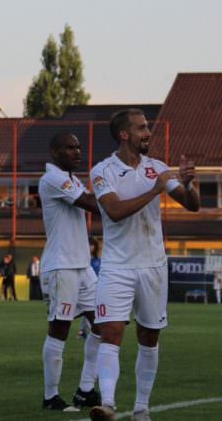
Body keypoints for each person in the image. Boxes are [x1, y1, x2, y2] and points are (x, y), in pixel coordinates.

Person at [88, 109, 199, 421]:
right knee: (110, 332)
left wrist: (190, 184)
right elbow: (114, 211)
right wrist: (155, 189)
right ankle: (107, 404)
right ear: (124, 134)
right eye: (141, 128)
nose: (148, 132)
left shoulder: (158, 168)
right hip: (116, 267)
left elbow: (192, 206)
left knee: (149, 337)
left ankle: (141, 408)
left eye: (147, 127)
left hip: (152, 266)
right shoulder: (103, 171)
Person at [37, 133, 103, 411]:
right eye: (69, 147)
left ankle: (86, 390)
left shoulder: (73, 180)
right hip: (61, 265)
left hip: (82, 265)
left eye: (78, 147)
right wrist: (125, 199)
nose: (77, 152)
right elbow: (91, 204)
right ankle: (50, 396)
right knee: (60, 329)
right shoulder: (52, 178)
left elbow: (90, 199)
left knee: (103, 324)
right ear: (54, 152)